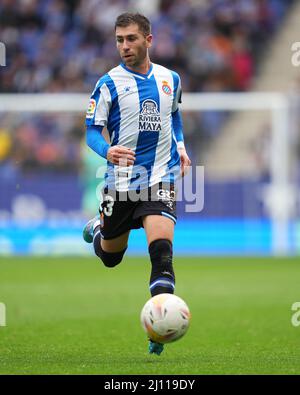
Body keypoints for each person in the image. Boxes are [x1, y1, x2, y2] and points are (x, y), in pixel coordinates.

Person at [83, 12, 191, 355]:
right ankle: (99, 230)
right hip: (121, 182)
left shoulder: (170, 79)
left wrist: (182, 147)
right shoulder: (108, 83)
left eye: (131, 39)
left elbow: (174, 115)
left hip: (160, 176)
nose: (124, 46)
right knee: (111, 257)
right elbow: (90, 132)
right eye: (119, 40)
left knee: (162, 252)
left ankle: (159, 332)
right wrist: (108, 150)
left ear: (149, 39)